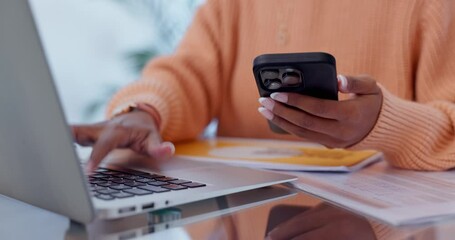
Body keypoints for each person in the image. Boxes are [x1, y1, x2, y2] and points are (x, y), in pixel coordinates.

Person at [73, 0, 455, 173]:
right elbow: (186, 74)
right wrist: (146, 112)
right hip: (246, 219)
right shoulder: (232, 5)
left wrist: (383, 124)